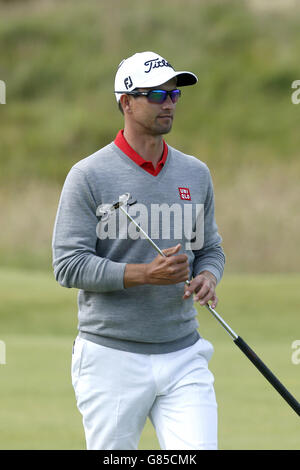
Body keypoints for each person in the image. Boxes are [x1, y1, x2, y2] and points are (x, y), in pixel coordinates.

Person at [52, 51, 225, 450]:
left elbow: (211, 247)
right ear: (126, 102)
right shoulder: (88, 176)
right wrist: (145, 274)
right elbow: (68, 265)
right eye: (157, 94)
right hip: (111, 356)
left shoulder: (195, 173)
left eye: (175, 94)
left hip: (184, 352)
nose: (169, 102)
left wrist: (207, 276)